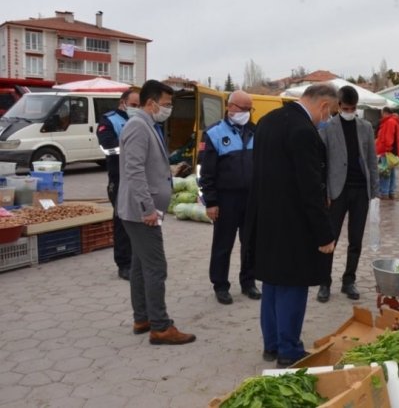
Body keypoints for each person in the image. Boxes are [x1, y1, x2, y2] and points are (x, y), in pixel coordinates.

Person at [249, 83, 337, 367]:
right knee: (293, 285)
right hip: (294, 223)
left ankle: (271, 344)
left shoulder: (267, 121)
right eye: (329, 113)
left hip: (267, 217)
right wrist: (325, 234)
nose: (326, 119)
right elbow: (310, 188)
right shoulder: (302, 131)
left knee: (272, 283)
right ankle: (289, 350)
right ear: (324, 105)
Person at [118, 80, 195, 345]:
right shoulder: (138, 127)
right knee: (156, 267)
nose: (169, 109)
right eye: (166, 104)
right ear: (151, 104)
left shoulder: (147, 125)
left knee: (140, 265)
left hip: (144, 209)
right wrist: (147, 208)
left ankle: (143, 318)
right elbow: (134, 170)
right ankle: (160, 327)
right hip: (143, 212)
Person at [317, 86, 379, 303]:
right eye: (346, 107)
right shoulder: (327, 128)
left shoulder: (366, 127)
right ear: (338, 106)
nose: (350, 111)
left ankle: (349, 280)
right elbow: (321, 162)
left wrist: (375, 190)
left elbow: (372, 159)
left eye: (353, 108)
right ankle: (324, 282)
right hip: (336, 191)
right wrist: (323, 191)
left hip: (360, 190)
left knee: (356, 238)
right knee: (329, 238)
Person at [199, 90, 261, 305]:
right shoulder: (214, 133)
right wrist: (211, 201)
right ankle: (220, 285)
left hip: (251, 198)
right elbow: (206, 172)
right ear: (231, 107)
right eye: (243, 109)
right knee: (223, 244)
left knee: (251, 242)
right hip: (226, 200)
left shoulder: (256, 131)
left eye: (249, 109)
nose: (246, 113)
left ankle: (248, 282)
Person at [96, 89, 139, 281]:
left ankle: (139, 260)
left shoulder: (145, 120)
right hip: (120, 178)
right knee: (122, 222)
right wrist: (134, 147)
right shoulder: (109, 120)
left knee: (139, 221)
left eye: (139, 106)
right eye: (133, 105)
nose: (136, 109)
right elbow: (107, 147)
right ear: (123, 103)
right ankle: (124, 264)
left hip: (140, 178)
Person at [375, 107, 399, 200]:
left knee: (385, 172)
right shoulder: (393, 121)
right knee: (390, 172)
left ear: (384, 113)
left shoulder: (389, 122)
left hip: (387, 151)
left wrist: (386, 150)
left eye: (381, 113)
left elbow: (388, 138)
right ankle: (390, 192)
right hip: (391, 152)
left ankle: (384, 192)